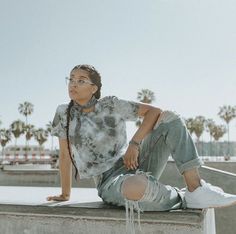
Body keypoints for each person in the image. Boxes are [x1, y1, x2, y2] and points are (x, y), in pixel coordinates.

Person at [47, 64, 236, 233]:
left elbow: (154, 112)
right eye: (71, 79)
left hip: (132, 162)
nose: (73, 84)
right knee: (136, 186)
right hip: (109, 182)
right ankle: (182, 197)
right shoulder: (64, 113)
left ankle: (195, 187)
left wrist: (134, 143)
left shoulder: (111, 105)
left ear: (94, 88)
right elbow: (64, 156)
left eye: (81, 80)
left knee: (170, 118)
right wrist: (65, 194)